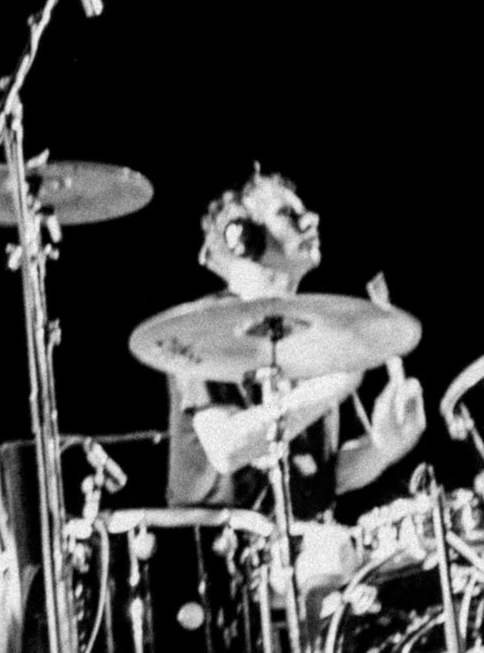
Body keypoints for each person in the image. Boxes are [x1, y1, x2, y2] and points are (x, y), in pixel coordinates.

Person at [164, 168, 429, 611]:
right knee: (338, 560)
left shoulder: (311, 337)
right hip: (220, 574)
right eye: (290, 214)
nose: (313, 220)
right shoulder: (204, 332)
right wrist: (332, 387)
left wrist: (383, 447)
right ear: (241, 236)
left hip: (300, 554)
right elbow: (226, 447)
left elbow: (322, 479)